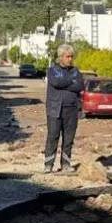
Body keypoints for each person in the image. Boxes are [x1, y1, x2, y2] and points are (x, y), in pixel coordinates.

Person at [44, 44, 83, 174]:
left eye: (71, 56)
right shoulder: (52, 70)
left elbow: (80, 85)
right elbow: (56, 83)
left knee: (68, 139)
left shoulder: (75, 71)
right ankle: (48, 165)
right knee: (53, 137)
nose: (70, 59)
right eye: (67, 56)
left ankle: (66, 164)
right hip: (55, 109)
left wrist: (66, 82)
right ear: (61, 57)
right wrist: (71, 81)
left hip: (71, 110)